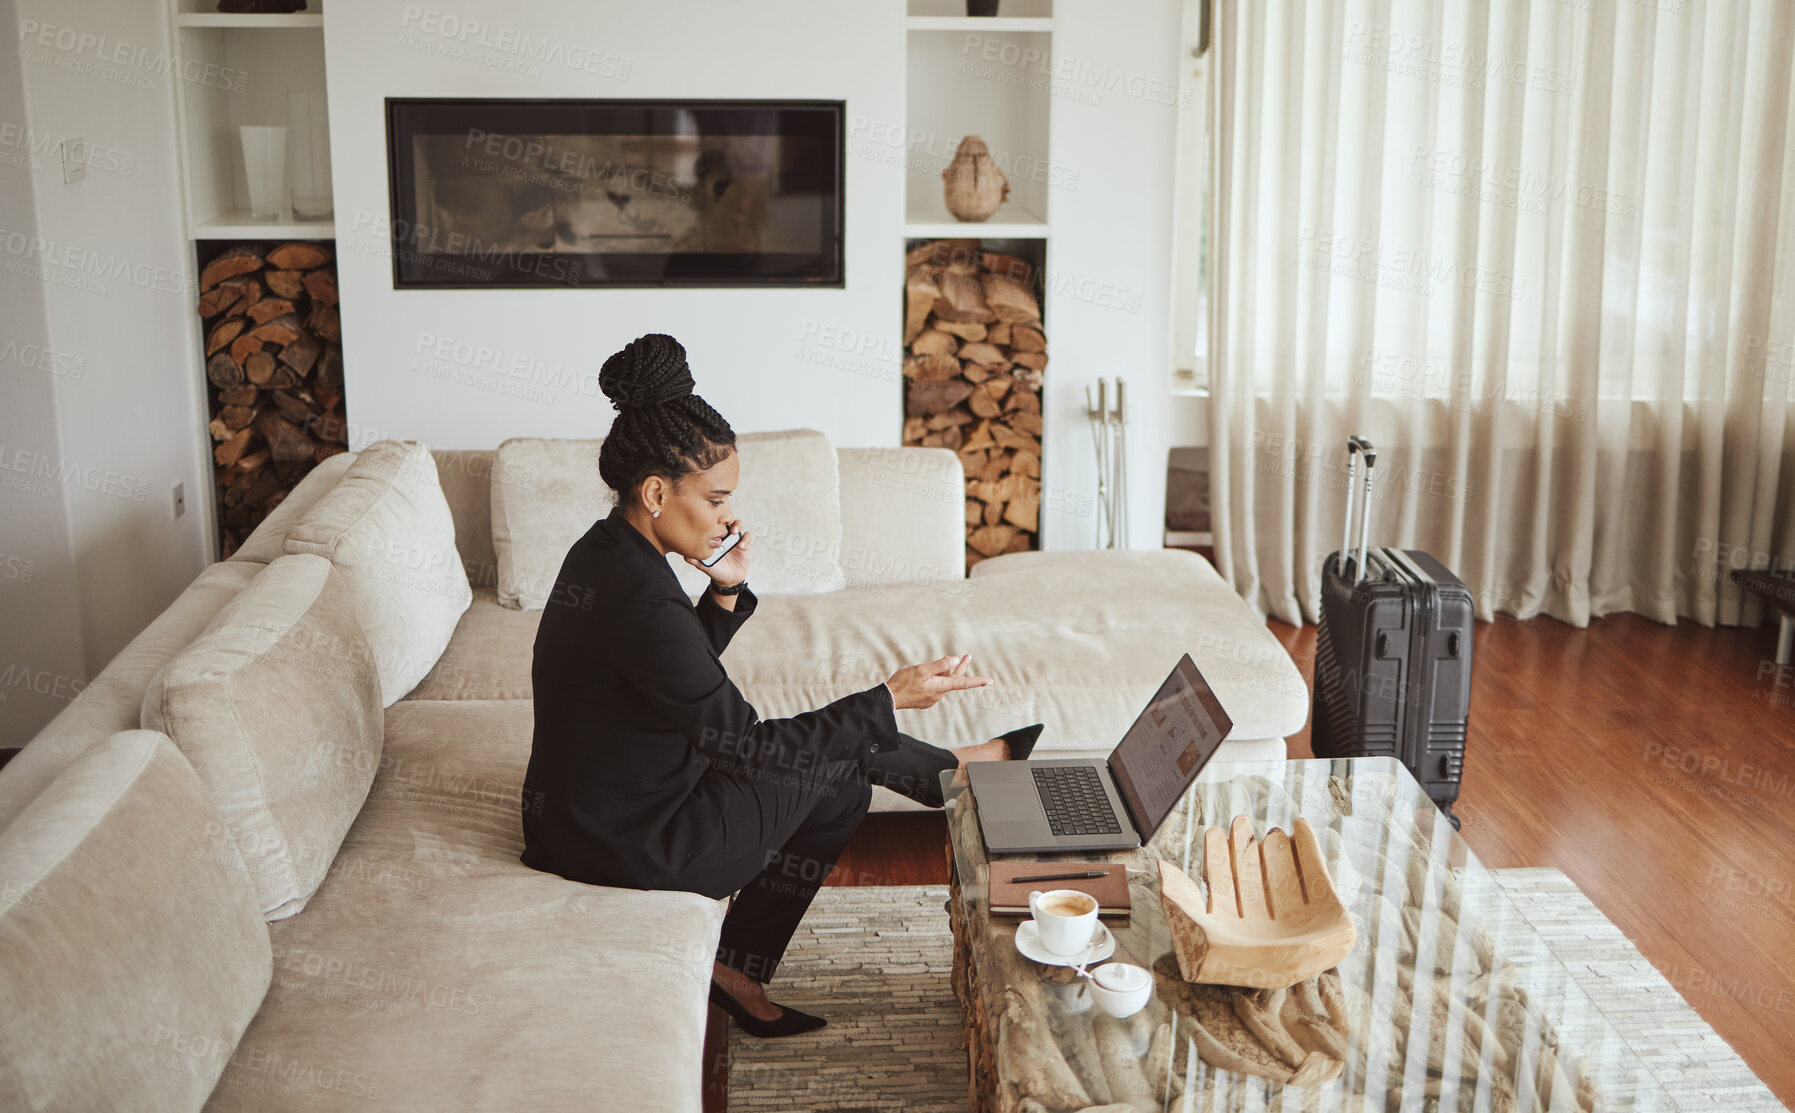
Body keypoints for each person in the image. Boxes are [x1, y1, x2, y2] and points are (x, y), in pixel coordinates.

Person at [519, 333, 1044, 1038]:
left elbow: (667, 681)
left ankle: (954, 778)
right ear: (654, 492)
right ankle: (962, 775)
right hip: (631, 839)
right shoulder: (637, 593)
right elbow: (742, 746)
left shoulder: (606, 550)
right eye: (715, 499)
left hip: (596, 811)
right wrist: (888, 697)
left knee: (839, 775)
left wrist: (725, 595)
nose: (728, 518)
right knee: (836, 764)